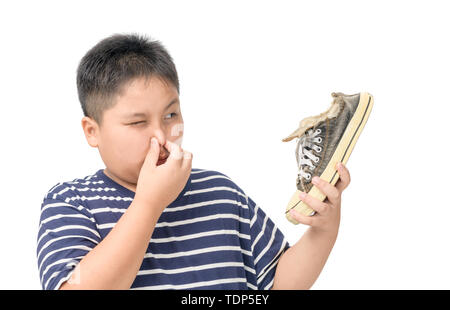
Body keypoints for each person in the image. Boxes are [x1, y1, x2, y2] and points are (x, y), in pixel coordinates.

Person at [36, 33, 351, 290]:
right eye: (137, 122)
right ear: (92, 131)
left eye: (171, 114)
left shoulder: (220, 191)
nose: (161, 135)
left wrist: (324, 230)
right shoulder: (71, 202)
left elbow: (279, 283)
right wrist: (149, 204)